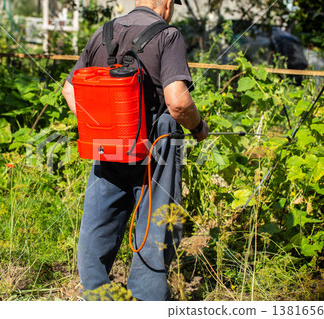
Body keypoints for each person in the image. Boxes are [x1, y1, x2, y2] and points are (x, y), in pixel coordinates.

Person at [62, 0, 209, 301]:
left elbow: (69, 89)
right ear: (167, 3)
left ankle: (96, 297)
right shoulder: (168, 35)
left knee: (99, 219)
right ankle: (145, 301)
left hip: (110, 142)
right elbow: (178, 102)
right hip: (156, 143)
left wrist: (98, 124)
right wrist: (198, 128)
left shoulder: (103, 32)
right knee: (156, 225)